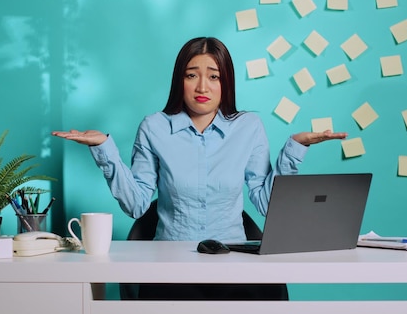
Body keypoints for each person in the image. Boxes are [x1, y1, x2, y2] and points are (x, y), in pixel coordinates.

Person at [52, 36, 347, 299]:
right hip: (170, 264)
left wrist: (295, 148)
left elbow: (266, 202)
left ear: (226, 82)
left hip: (234, 263)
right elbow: (135, 204)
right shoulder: (154, 127)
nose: (202, 86)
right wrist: (104, 149)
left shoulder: (248, 127)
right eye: (191, 75)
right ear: (179, 80)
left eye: (214, 76)